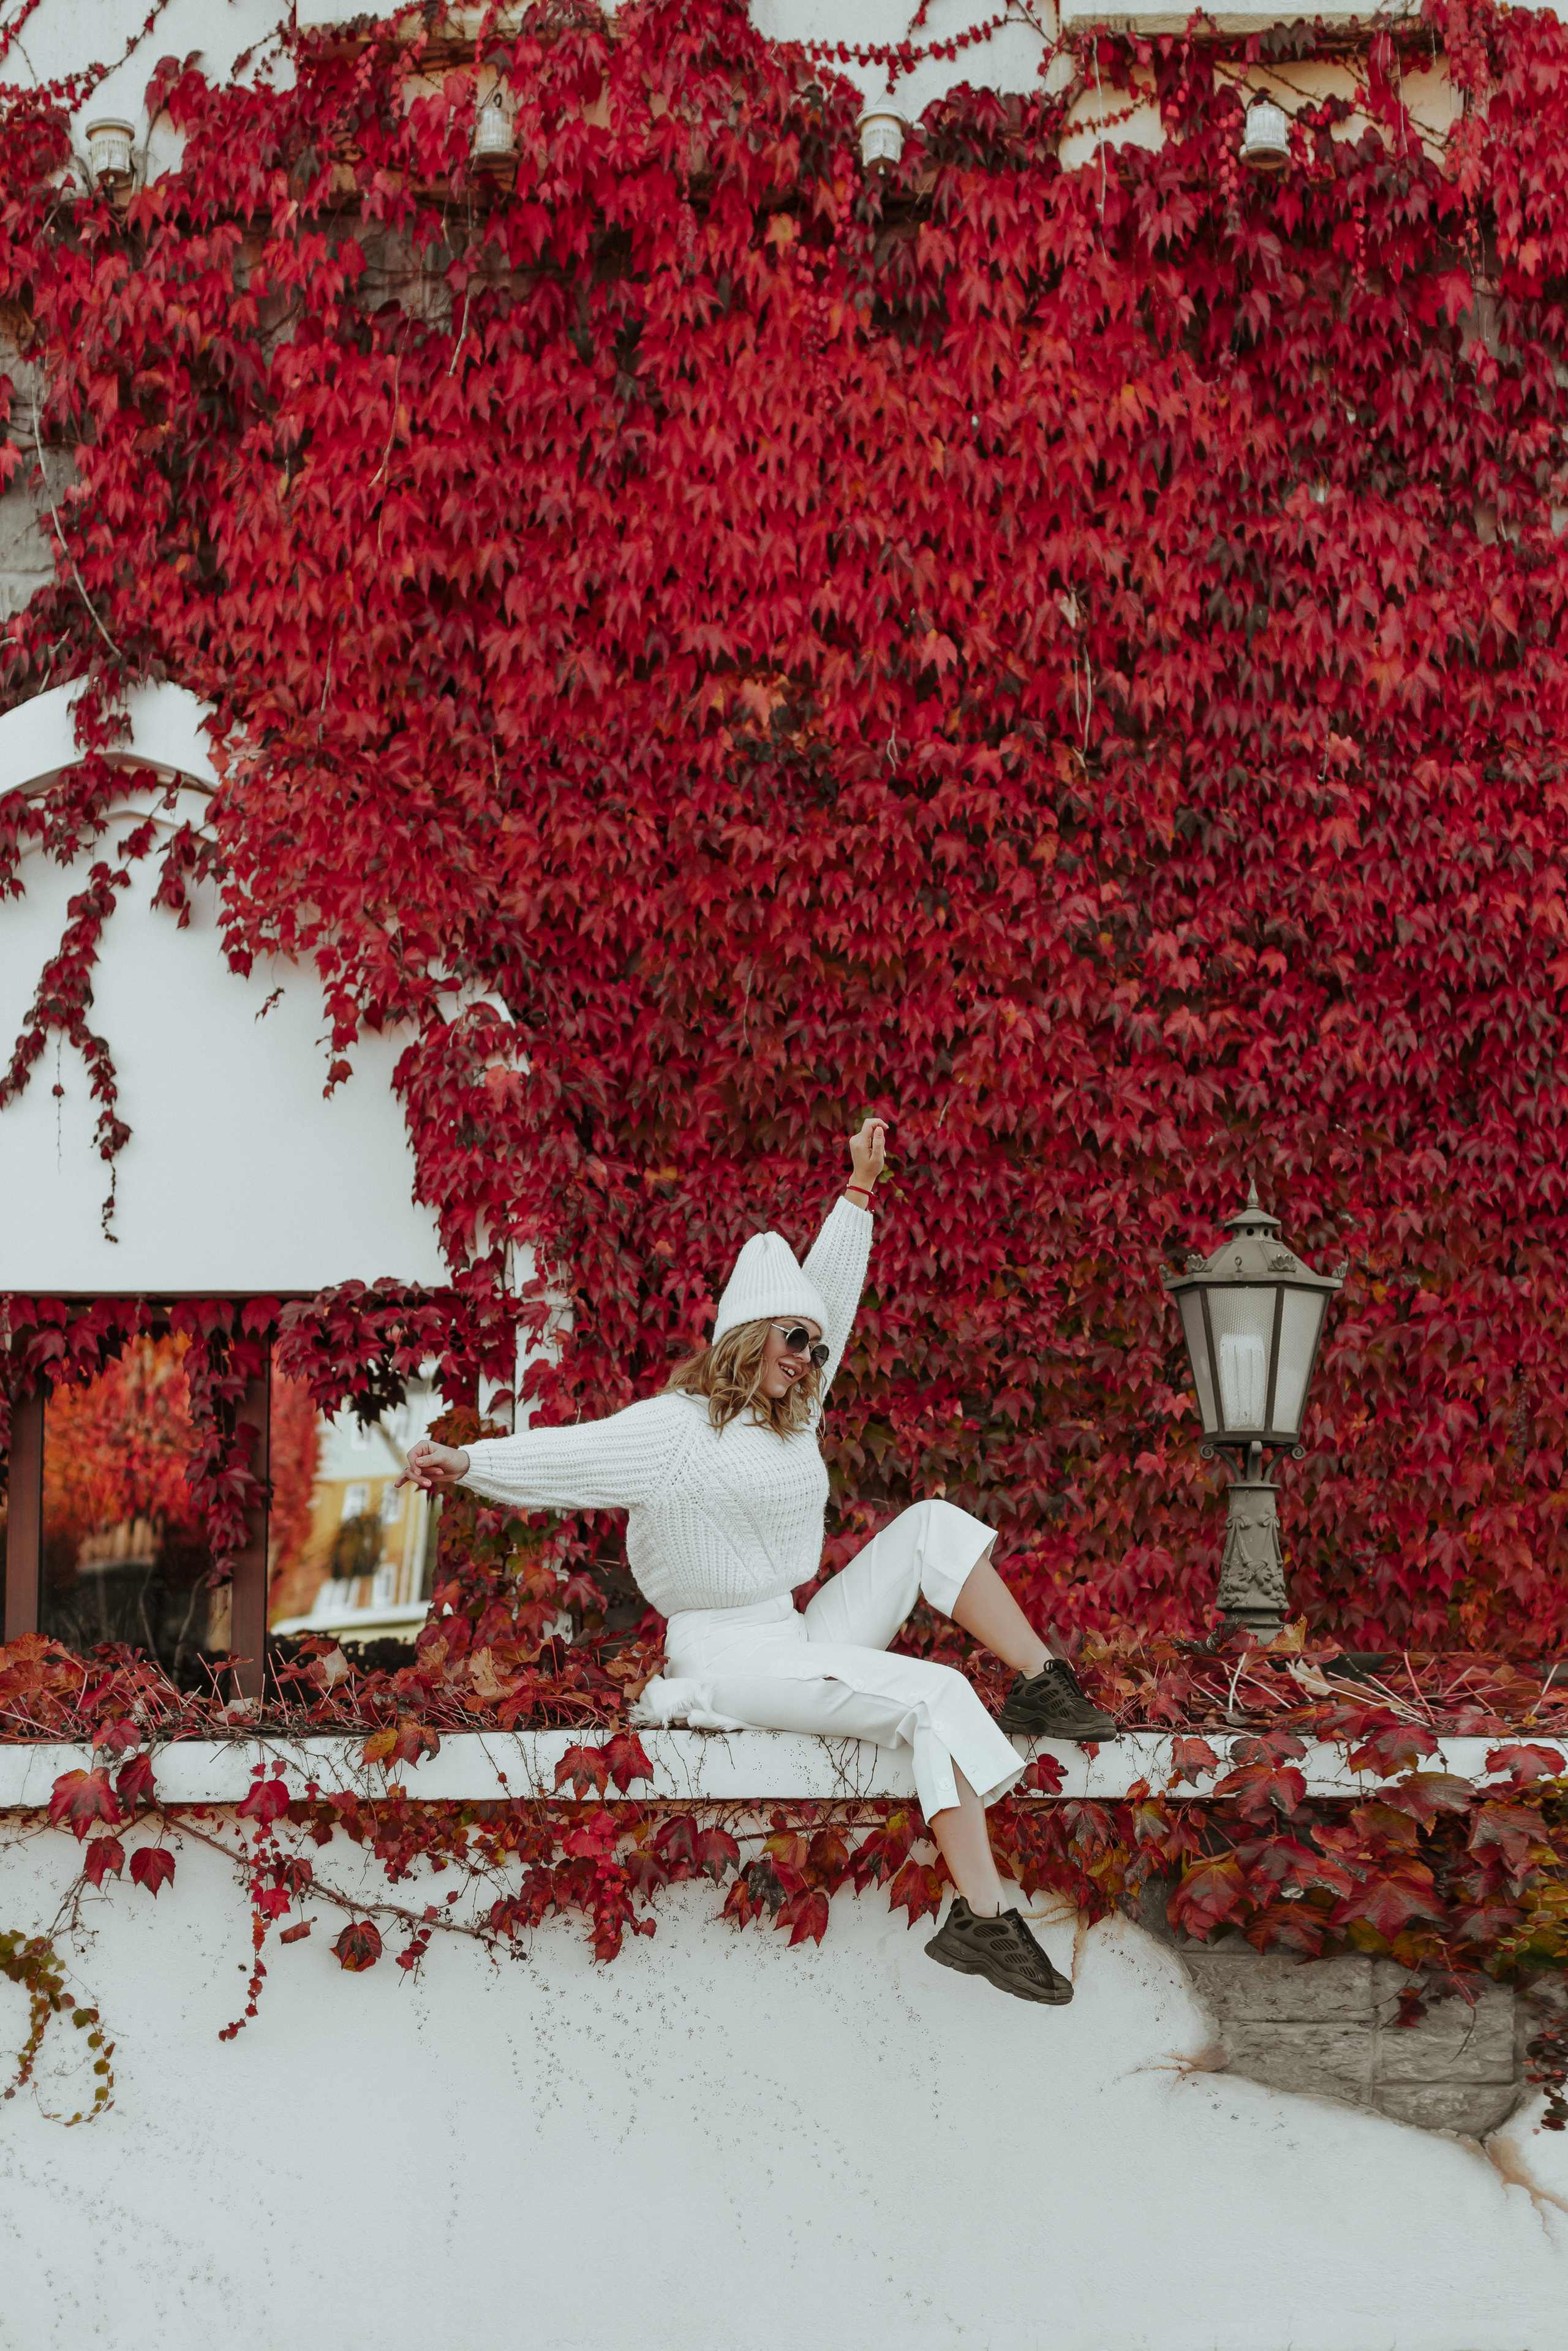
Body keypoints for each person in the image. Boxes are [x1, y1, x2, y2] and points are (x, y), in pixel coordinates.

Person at [401, 1117, 1117, 2006]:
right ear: (748, 1335)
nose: (810, 1359)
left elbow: (832, 1296)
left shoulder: (793, 1414)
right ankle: (983, 1916)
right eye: (793, 1340)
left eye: (816, 1347)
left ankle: (1043, 1679)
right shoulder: (675, 1431)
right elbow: (568, 1458)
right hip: (725, 1656)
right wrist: (468, 1462)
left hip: (793, 1629)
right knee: (935, 1694)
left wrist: (859, 1191)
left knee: (933, 1523)